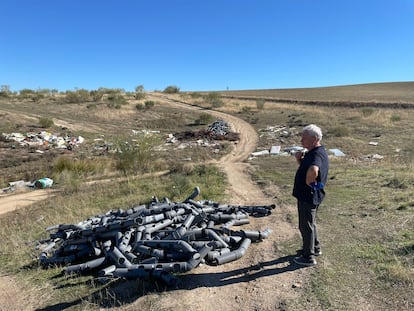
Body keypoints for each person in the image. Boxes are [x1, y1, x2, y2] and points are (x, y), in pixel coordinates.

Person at [292, 124, 329, 266]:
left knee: (305, 226)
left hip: (308, 196)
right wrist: (300, 160)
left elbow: (313, 170)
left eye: (304, 138)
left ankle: (308, 257)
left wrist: (310, 183)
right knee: (311, 223)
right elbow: (310, 167)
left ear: (314, 139)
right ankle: (315, 247)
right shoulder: (316, 151)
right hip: (312, 194)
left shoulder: (316, 154)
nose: (301, 141)